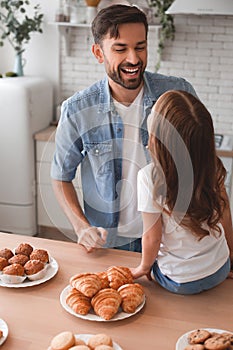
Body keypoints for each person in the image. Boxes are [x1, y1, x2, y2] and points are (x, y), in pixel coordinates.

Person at [51, 4, 197, 253]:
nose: (133, 59)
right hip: (111, 242)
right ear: (99, 53)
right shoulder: (77, 110)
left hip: (173, 239)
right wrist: (81, 227)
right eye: (121, 49)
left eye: (140, 47)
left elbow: (204, 164)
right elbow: (60, 177)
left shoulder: (177, 93)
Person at [131, 90, 233, 294]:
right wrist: (231, 257)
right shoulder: (212, 166)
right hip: (219, 269)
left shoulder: (149, 177)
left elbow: (152, 237)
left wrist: (143, 267)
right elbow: (225, 214)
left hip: (179, 280)